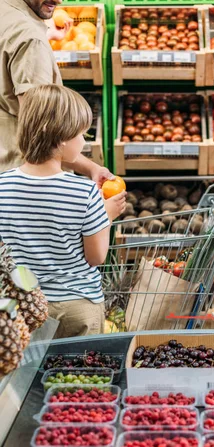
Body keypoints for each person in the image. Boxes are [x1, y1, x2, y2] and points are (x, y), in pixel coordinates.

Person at [0, 85, 127, 339]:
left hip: (23, 308)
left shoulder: (2, 186)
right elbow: (96, 256)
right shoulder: (85, 192)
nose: (84, 140)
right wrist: (107, 215)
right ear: (61, 138)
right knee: (79, 375)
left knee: (26, 377)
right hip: (76, 308)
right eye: (82, 134)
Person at [0, 0, 113, 189]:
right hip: (31, 183)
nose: (59, 0)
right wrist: (92, 168)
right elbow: (43, 132)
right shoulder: (29, 39)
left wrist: (47, 35)